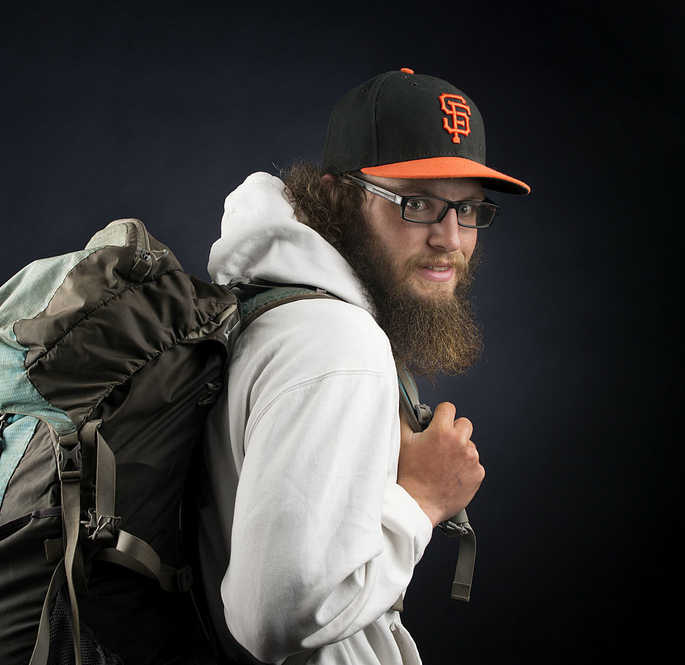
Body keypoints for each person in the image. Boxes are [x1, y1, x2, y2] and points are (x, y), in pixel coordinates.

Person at [194, 68, 530, 665]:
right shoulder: (336, 344)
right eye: (418, 203)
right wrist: (422, 499)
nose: (450, 238)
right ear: (341, 197)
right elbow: (273, 619)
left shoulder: (280, 311)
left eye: (470, 210)